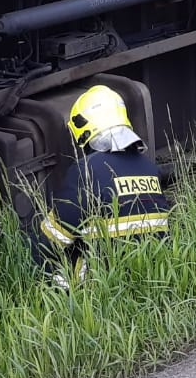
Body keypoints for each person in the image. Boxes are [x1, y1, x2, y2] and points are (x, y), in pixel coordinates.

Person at [32, 84, 171, 288]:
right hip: (155, 274)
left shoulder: (88, 170)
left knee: (51, 251)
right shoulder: (150, 167)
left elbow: (51, 240)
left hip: (106, 284)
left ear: (84, 128)